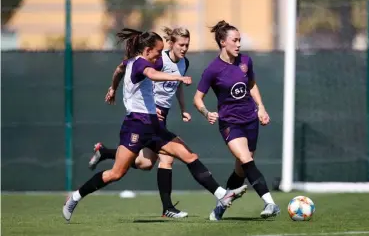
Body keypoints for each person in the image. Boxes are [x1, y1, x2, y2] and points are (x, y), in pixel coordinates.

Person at [62, 28, 247, 222]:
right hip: (135, 126)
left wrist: (114, 88)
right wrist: (177, 77)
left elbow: (118, 70)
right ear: (148, 50)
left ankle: (221, 194)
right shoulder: (141, 63)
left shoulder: (143, 60)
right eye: (158, 52)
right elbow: (151, 73)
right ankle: (75, 198)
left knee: (189, 156)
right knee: (116, 173)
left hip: (154, 127)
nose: (161, 56)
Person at [88, 27, 192, 218]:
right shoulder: (148, 61)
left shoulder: (182, 63)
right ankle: (169, 207)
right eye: (181, 44)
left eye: (187, 44)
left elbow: (176, 88)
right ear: (170, 44)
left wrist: (184, 108)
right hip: (143, 118)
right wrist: (113, 87)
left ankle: (105, 152)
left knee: (144, 164)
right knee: (172, 158)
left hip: (153, 118)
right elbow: (129, 69)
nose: (185, 48)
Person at [193, 20, 280, 220]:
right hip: (230, 123)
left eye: (240, 40)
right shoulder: (213, 69)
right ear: (223, 42)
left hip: (251, 120)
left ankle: (222, 205)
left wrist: (261, 108)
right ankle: (270, 203)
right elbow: (197, 99)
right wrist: (206, 113)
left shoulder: (245, 62)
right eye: (235, 40)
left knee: (241, 169)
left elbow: (251, 85)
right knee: (246, 160)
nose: (239, 44)